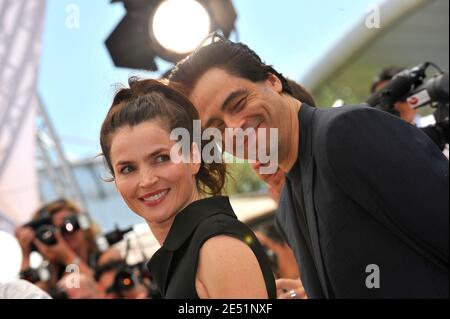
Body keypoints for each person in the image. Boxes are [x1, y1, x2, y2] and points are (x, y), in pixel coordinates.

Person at [168, 35, 449, 298]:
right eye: (216, 127)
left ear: (273, 80)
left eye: (238, 103)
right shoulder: (287, 206)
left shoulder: (343, 132)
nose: (233, 127)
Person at [99, 78, 276, 299]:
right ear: (114, 180)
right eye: (127, 169)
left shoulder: (216, 245)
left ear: (193, 156)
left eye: (161, 158)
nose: (146, 180)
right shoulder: (189, 251)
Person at [15, 199, 100, 291]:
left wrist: (67, 257)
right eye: (55, 229)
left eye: (69, 223)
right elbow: (28, 294)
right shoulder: (50, 275)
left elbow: (100, 291)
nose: (62, 234)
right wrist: (25, 254)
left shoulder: (104, 258)